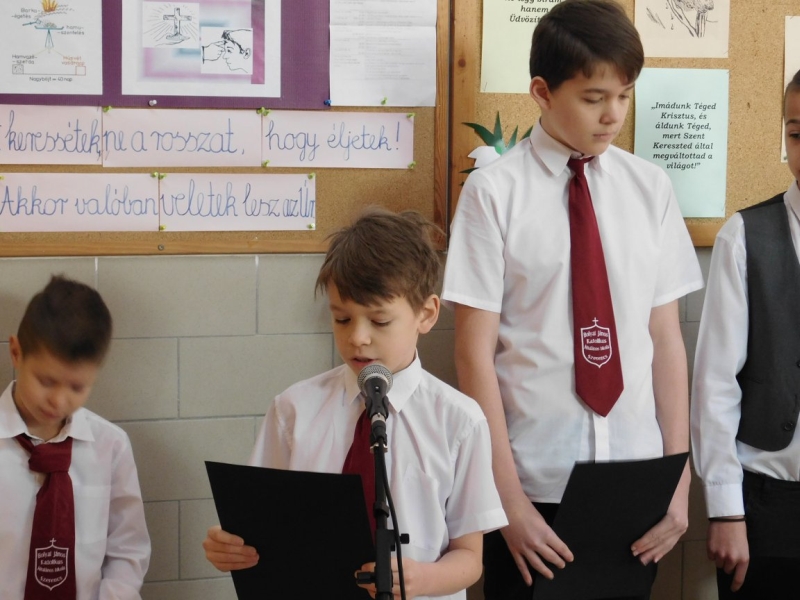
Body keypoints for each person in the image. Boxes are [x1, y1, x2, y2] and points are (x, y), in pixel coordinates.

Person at [441, 1, 703, 599]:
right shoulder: (493, 194)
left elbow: (665, 340)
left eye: (625, 96)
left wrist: (678, 478)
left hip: (636, 486)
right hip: (532, 486)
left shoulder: (650, 188)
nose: (613, 115)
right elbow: (473, 357)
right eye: (593, 98)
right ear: (542, 91)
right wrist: (506, 503)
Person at [203, 208, 507, 600]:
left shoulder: (460, 421)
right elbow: (262, 526)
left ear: (427, 314)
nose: (357, 338)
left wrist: (423, 579)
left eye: (379, 321)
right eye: (343, 320)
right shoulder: (293, 410)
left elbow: (469, 557)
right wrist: (229, 546)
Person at [691, 68, 800, 599]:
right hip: (769, 500)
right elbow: (715, 384)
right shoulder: (745, 236)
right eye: (797, 133)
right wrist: (725, 510)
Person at [0, 275, 150, 598]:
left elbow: (127, 550)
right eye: (45, 381)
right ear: (16, 352)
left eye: (77, 387)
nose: (58, 400)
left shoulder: (111, 446)